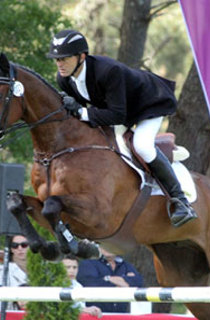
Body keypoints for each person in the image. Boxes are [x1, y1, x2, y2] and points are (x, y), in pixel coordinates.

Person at [46, 29, 197, 228]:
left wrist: (82, 112)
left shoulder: (108, 71)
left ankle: (181, 202)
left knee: (142, 146)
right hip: (118, 108)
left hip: (148, 104)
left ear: (81, 57)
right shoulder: (64, 78)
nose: (59, 64)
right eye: (56, 59)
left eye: (64, 58)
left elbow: (117, 115)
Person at [76, 248, 142, 313]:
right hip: (96, 316)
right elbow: (91, 284)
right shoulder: (88, 264)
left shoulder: (126, 266)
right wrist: (123, 283)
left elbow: (138, 283)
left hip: (121, 317)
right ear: (99, 247)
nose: (107, 247)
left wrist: (107, 278)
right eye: (104, 245)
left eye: (110, 245)